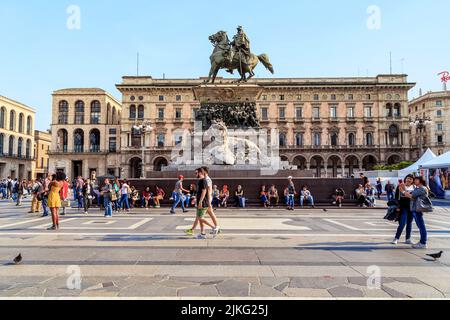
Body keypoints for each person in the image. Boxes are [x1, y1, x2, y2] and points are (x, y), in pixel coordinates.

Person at [404, 176, 430, 249]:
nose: (414, 181)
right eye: (414, 180)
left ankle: (423, 243)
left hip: (417, 210)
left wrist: (403, 191)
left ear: (421, 181)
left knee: (421, 226)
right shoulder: (417, 188)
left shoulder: (422, 188)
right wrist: (407, 194)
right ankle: (422, 242)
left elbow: (411, 196)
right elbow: (410, 196)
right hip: (415, 209)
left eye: (416, 180)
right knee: (420, 226)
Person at [391, 174, 415, 245]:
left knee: (409, 224)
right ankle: (396, 238)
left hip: (412, 208)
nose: (409, 180)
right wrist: (397, 206)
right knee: (402, 223)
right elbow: (396, 197)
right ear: (405, 179)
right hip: (403, 208)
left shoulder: (414, 187)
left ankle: (408, 239)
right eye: (408, 178)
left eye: (411, 179)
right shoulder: (400, 186)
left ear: (412, 180)